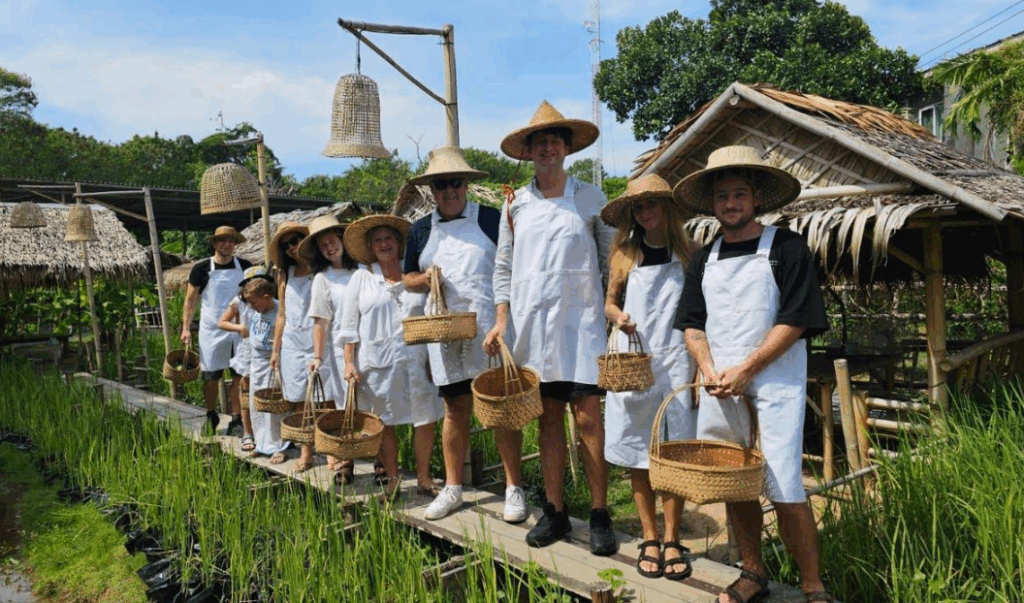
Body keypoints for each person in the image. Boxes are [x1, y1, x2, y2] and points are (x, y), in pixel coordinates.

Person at [673, 146, 834, 603]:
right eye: (721, 196)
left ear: (756, 197)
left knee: (784, 481)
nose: (730, 203)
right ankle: (752, 572)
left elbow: (798, 317)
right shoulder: (704, 258)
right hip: (720, 382)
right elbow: (692, 323)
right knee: (734, 479)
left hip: (775, 379)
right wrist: (708, 369)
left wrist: (749, 368)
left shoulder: (786, 246)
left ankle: (812, 584)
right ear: (713, 204)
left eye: (739, 194)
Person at [485, 100, 617, 555]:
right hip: (533, 326)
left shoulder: (591, 198)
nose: (547, 149)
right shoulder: (514, 204)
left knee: (589, 419)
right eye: (539, 142)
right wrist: (501, 321)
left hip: (581, 323)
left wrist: (611, 308)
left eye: (555, 141)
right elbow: (503, 267)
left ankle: (600, 513)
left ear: (567, 148)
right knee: (548, 422)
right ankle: (556, 511)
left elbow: (610, 262)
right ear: (530, 151)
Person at [402, 147, 526, 523]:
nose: (449, 191)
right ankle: (453, 487)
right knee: (453, 411)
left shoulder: (489, 219)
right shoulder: (421, 229)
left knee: (501, 410)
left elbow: (514, 265)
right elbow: (406, 278)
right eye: (441, 186)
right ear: (432, 191)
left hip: (490, 332)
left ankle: (513, 488)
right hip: (444, 336)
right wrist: (424, 280)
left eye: (455, 183)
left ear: (466, 185)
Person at [601, 174, 697, 580]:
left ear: (666, 208)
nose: (645, 212)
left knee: (671, 452)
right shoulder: (624, 252)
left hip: (675, 361)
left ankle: (673, 537)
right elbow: (608, 302)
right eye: (638, 208)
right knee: (637, 451)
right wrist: (618, 318)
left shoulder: (689, 253)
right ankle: (649, 537)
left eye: (651, 204)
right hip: (633, 360)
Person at [340, 215, 443, 500]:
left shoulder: (415, 274)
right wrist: (349, 362)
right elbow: (348, 328)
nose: (384, 244)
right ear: (371, 248)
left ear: (399, 243)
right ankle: (393, 479)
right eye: (377, 240)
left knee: (425, 418)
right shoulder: (362, 278)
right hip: (377, 363)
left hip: (417, 359)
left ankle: (424, 477)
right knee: (383, 421)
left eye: (388, 239)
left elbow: (434, 313)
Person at [300, 215, 356, 483]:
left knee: (372, 405)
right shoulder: (323, 279)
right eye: (323, 245)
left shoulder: (364, 269)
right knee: (343, 405)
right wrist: (318, 356)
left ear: (343, 239)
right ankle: (346, 460)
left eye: (332, 240)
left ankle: (381, 461)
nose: (330, 247)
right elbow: (321, 320)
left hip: (368, 346)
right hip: (338, 350)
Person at [181, 226, 252, 435]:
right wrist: (186, 328)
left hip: (239, 329)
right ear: (214, 243)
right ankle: (211, 414)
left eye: (231, 241)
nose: (227, 244)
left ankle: (237, 419)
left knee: (239, 376)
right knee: (211, 377)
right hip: (212, 329)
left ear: (235, 244)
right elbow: (190, 300)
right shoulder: (201, 269)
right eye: (222, 241)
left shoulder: (246, 266)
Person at [268, 221, 323, 474]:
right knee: (300, 398)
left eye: (296, 240)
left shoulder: (321, 267)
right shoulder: (285, 273)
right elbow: (282, 314)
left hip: (319, 338)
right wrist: (275, 350)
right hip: (292, 341)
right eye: (286, 244)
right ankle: (306, 451)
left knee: (324, 397)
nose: (292, 247)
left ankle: (330, 449)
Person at [221, 268, 290, 463]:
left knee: (275, 406)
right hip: (256, 362)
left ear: (266, 297)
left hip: (272, 361)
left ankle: (279, 445)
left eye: (253, 302)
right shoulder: (257, 311)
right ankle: (262, 443)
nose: (251, 307)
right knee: (256, 405)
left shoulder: (278, 311)